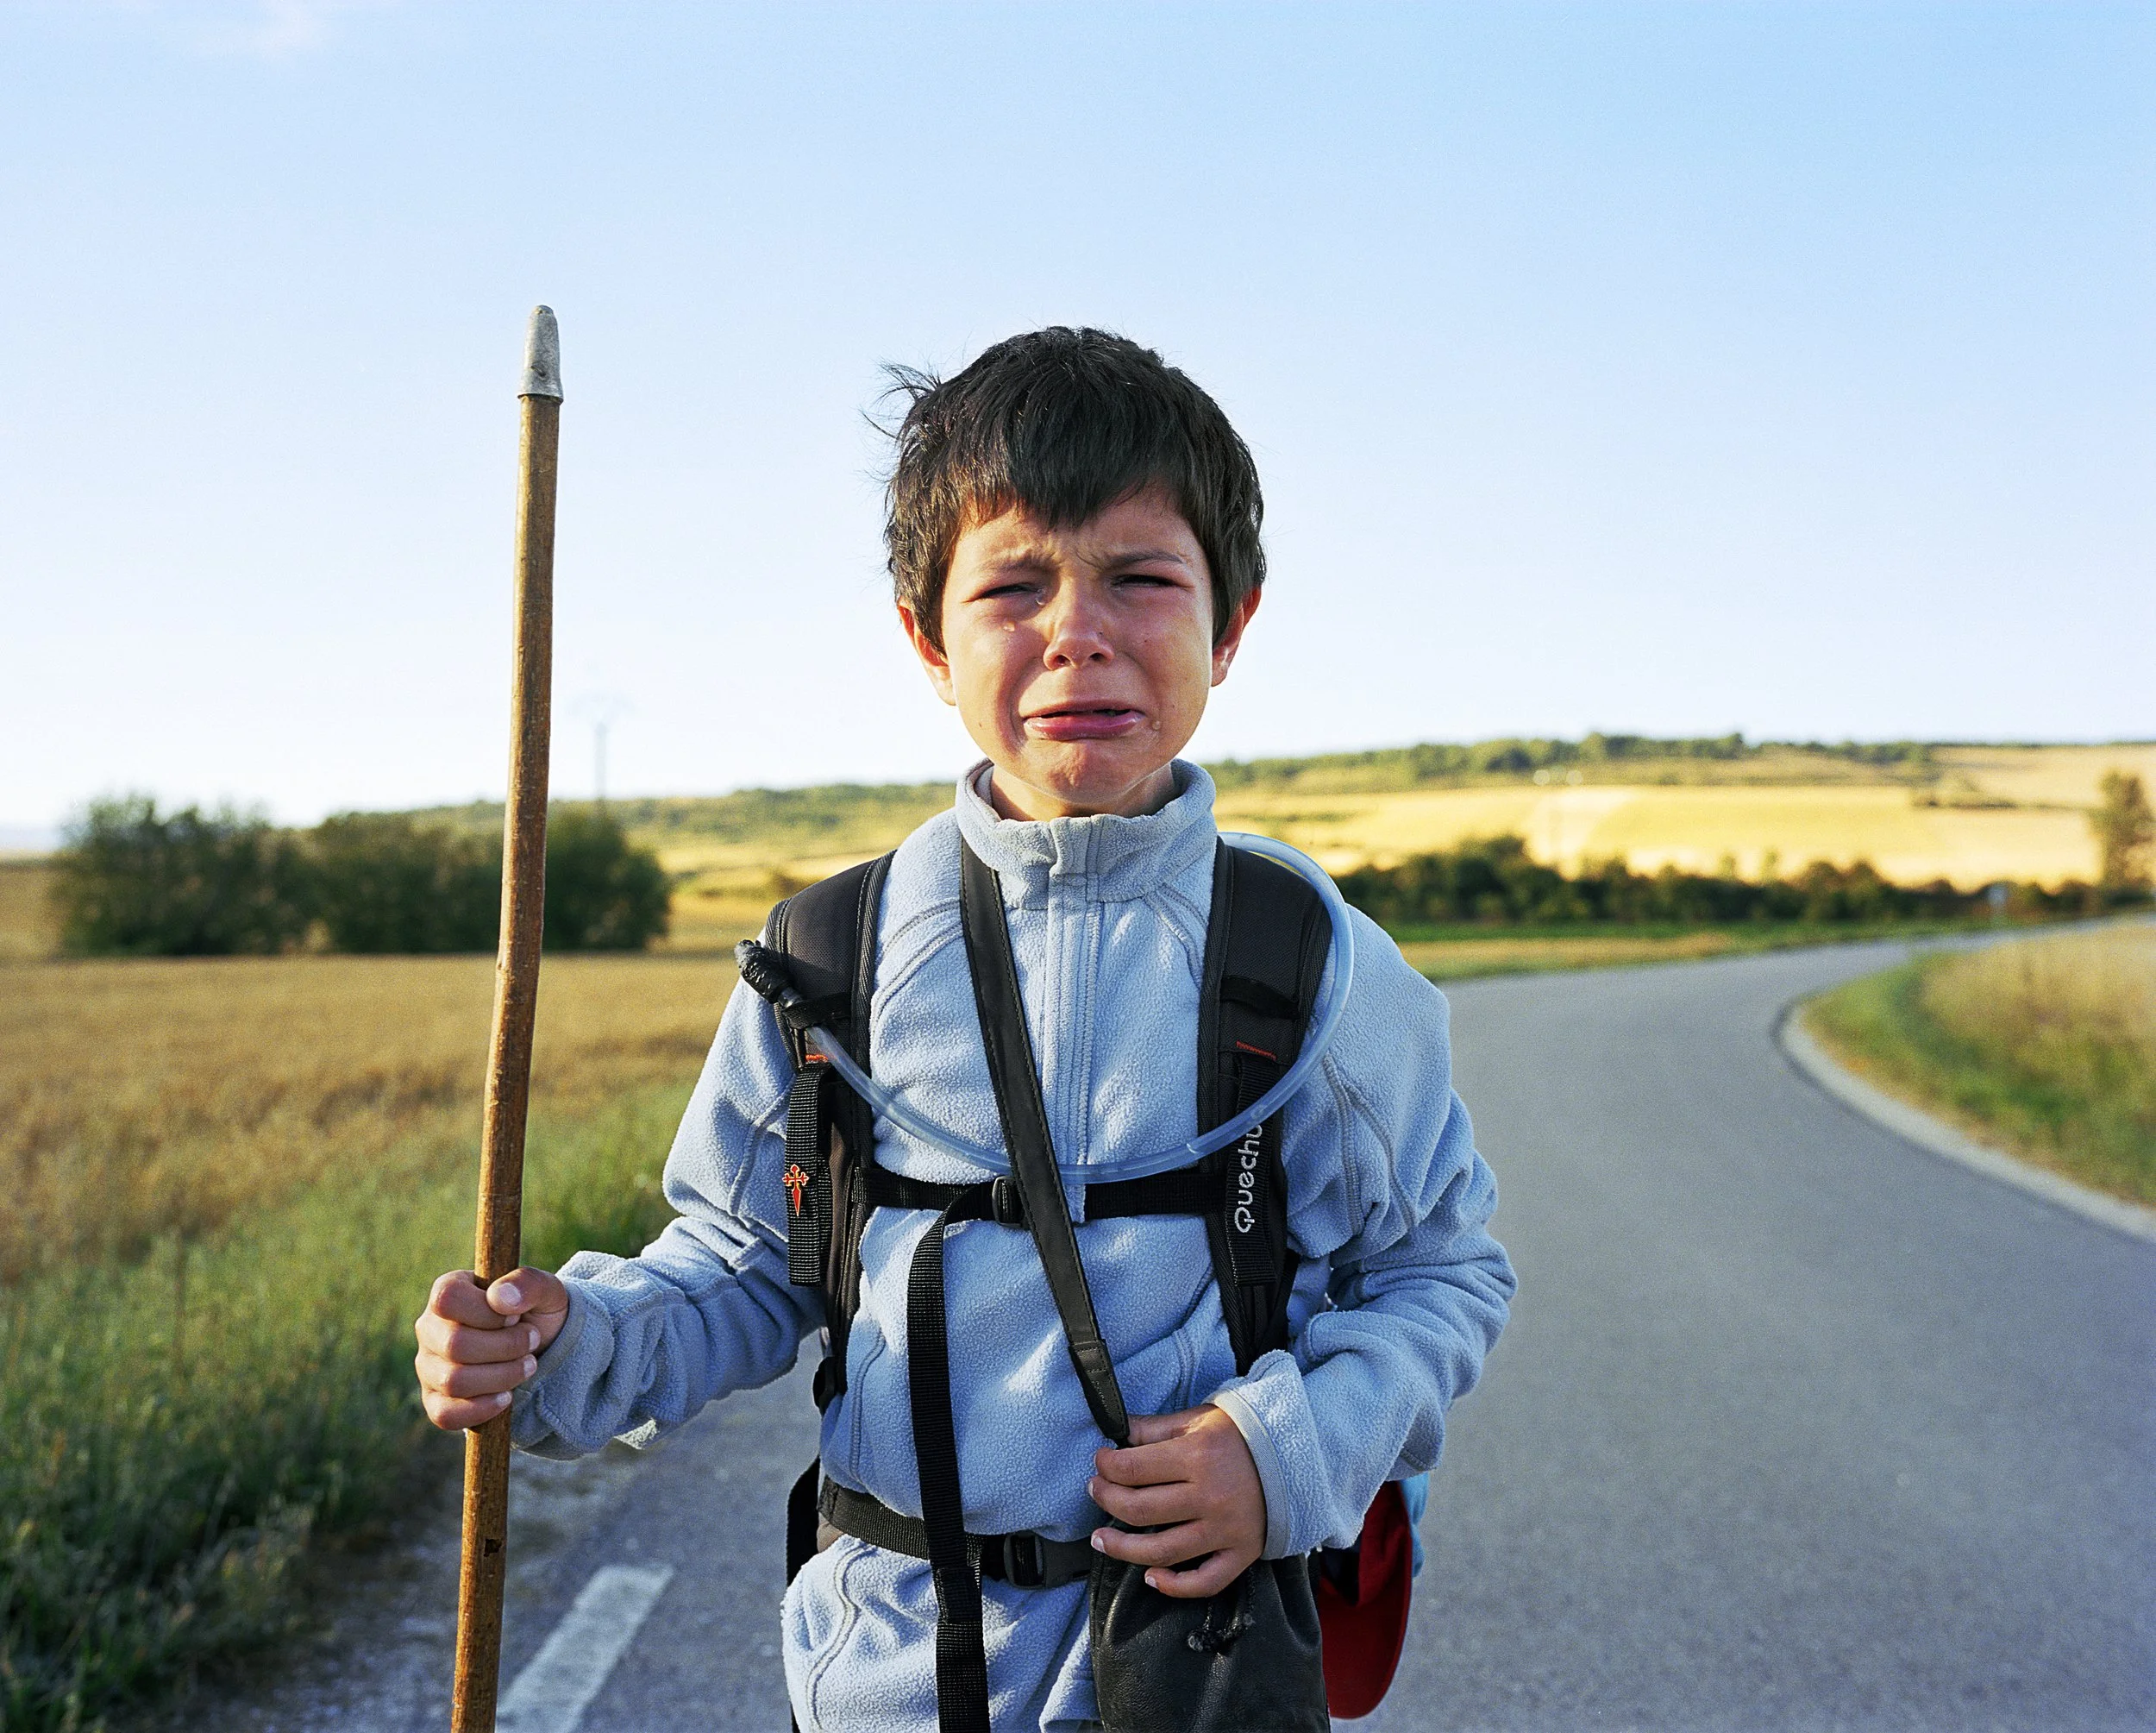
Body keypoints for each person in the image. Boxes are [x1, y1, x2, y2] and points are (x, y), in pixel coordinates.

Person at [413, 327, 1515, 1732]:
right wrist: (564, 1340)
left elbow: (1440, 1278)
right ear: (928, 641)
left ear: (1230, 625)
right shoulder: (831, 960)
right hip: (883, 1678)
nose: (1078, 632)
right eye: (1013, 586)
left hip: (1193, 1681)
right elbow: (748, 1266)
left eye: (1141, 578)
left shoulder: (1311, 966)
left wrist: (1284, 1459)